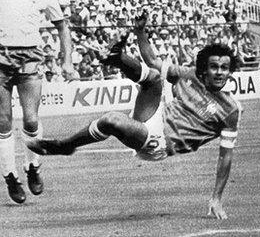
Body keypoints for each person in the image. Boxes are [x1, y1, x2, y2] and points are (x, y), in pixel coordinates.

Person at [28, 14, 242, 219]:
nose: (220, 72)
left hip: (160, 144)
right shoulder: (190, 75)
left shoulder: (231, 110)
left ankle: (66, 145)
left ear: (230, 71)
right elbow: (152, 60)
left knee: (111, 120)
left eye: (225, 68)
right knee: (154, 78)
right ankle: (117, 59)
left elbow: (226, 158)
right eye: (214, 67)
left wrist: (216, 198)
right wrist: (140, 32)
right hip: (155, 115)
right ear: (204, 69)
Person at [0, 0, 79, 204]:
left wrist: (67, 61)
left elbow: (62, 26)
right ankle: (10, 176)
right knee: (2, 121)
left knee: (31, 121)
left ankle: (33, 167)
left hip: (30, 57)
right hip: (0, 57)